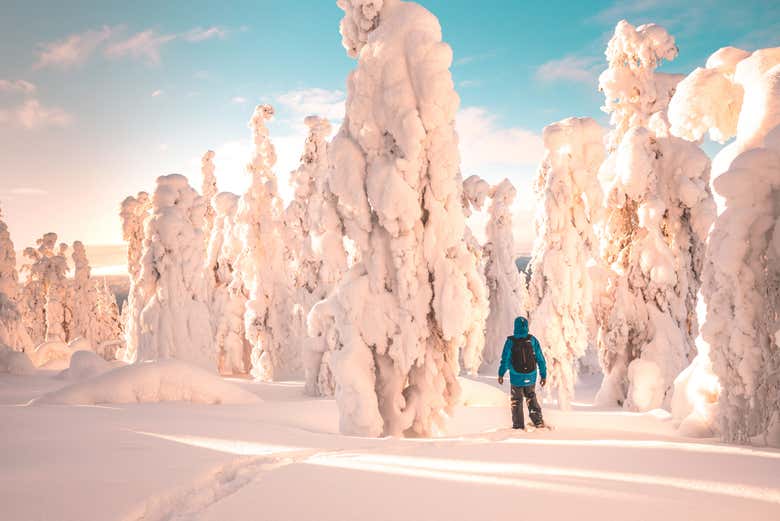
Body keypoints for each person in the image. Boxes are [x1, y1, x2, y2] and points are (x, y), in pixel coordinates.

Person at [498, 316, 548, 430]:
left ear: (515, 327)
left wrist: (501, 374)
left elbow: (505, 360)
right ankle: (538, 421)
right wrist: (543, 375)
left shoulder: (510, 342)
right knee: (531, 397)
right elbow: (540, 359)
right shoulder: (532, 340)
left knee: (516, 400)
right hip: (531, 375)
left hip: (516, 376)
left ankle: (518, 426)